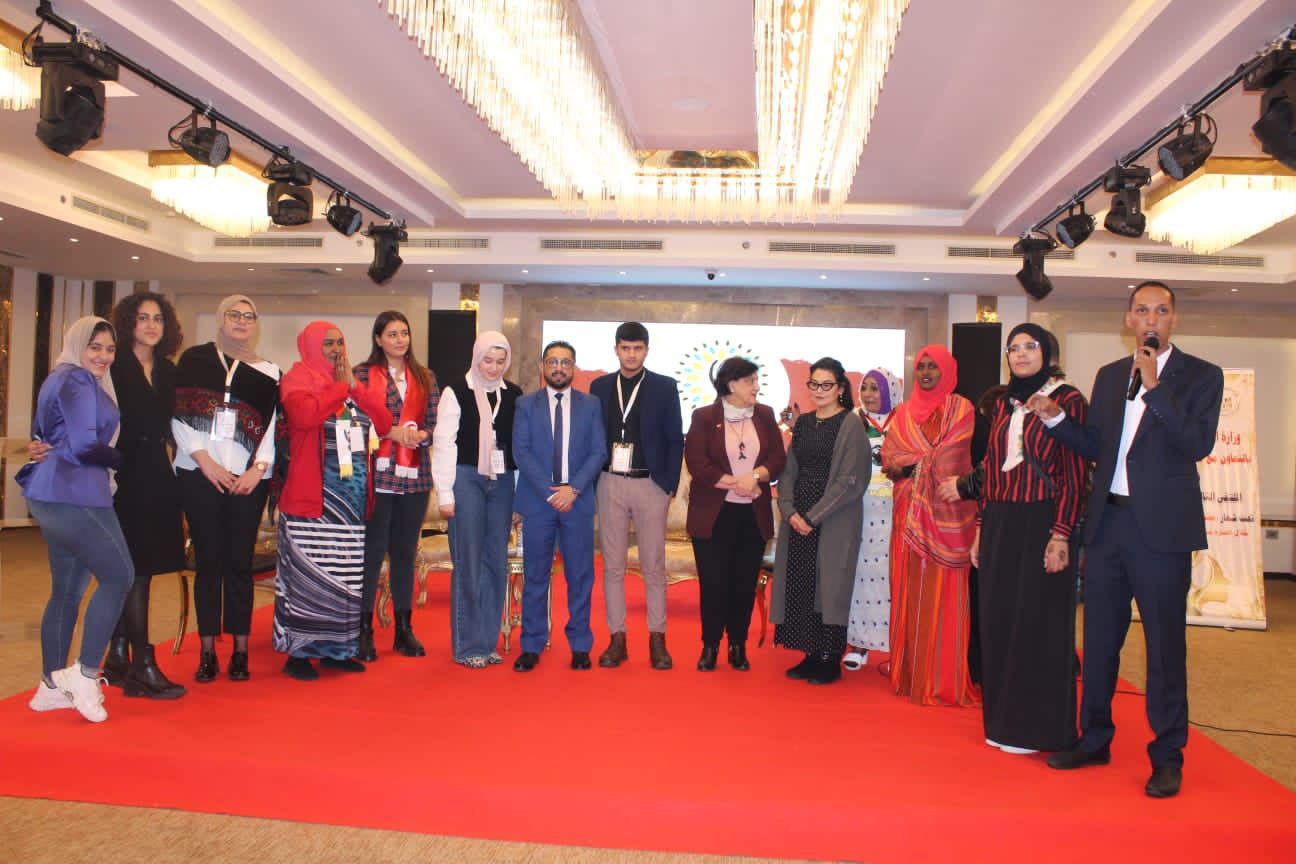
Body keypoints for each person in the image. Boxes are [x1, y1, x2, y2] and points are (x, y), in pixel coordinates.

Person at [1031, 281, 1222, 799]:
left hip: (1162, 533)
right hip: (1108, 526)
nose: (1151, 319)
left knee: (1164, 648)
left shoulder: (1202, 375)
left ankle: (1168, 756)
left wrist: (1155, 387)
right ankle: (1094, 739)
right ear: (1129, 319)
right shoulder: (1111, 375)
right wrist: (1056, 420)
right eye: (1142, 310)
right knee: (1098, 644)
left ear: (1173, 320)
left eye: (1161, 311)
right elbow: (1099, 446)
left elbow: (1197, 442)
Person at [971, 324, 1087, 755]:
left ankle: (1037, 729)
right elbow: (990, 466)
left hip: (1044, 521)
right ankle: (1003, 723)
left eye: (1030, 346)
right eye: (1013, 348)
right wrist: (980, 528)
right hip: (1001, 521)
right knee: (999, 620)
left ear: (1047, 353)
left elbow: (1075, 473)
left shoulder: (1067, 399)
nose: (1020, 354)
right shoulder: (1004, 402)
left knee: (1037, 623)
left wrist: (1062, 534)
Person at [19, 317, 133, 722]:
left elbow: (46, 434)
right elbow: (85, 445)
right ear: (77, 344)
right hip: (76, 493)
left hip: (52, 493)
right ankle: (84, 674)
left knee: (66, 592)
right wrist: (124, 459)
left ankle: (50, 686)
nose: (103, 356)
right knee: (119, 576)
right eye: (94, 346)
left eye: (110, 349)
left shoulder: (59, 377)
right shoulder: (79, 380)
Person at [275, 321, 392, 680]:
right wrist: (340, 387)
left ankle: (337, 650)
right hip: (312, 501)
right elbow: (305, 416)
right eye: (328, 343)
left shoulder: (348, 385)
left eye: (340, 342)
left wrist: (354, 388)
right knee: (308, 577)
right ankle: (299, 654)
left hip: (349, 505)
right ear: (311, 346)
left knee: (344, 577)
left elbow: (384, 422)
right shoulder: (296, 379)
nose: (336, 349)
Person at [173, 294, 279, 683]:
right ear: (221, 318)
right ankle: (206, 653)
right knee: (209, 564)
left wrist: (258, 469)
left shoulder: (269, 372)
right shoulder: (194, 360)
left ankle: (240, 651)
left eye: (249, 316)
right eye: (234, 314)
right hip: (199, 474)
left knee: (238, 565)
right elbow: (178, 415)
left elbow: (273, 428)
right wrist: (206, 462)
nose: (241, 321)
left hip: (248, 482)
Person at [882, 345, 979, 707]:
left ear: (947, 371)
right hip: (906, 516)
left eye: (933, 366)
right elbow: (889, 458)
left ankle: (940, 680)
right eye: (921, 366)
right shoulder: (903, 413)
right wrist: (916, 462)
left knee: (943, 596)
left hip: (945, 517)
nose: (925, 372)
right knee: (907, 592)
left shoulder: (960, 408)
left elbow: (952, 455)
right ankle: (909, 675)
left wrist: (911, 463)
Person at [103, 293, 188, 699]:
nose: (151, 326)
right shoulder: (113, 365)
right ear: (128, 324)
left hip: (157, 473)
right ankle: (143, 664)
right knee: (133, 570)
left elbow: (176, 426)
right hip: (121, 475)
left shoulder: (168, 370)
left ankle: (118, 656)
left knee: (144, 567)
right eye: (142, 318)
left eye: (157, 319)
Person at [589, 322, 684, 670]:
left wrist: (668, 485)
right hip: (609, 481)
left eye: (637, 348)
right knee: (612, 565)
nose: (631, 354)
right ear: (616, 349)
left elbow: (675, 437)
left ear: (646, 350)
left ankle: (658, 638)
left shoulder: (664, 386)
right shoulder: (600, 386)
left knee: (653, 566)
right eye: (625, 348)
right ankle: (617, 637)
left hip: (650, 484)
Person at [771, 357, 871, 686]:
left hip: (833, 518)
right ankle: (811, 653)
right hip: (799, 518)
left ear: (840, 388)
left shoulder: (851, 424)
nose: (819, 390)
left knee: (830, 586)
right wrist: (789, 510)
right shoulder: (803, 423)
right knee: (802, 583)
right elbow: (789, 471)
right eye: (814, 383)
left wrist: (812, 518)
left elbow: (850, 481)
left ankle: (830, 658)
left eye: (826, 384)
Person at [684, 356, 786, 671]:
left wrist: (754, 477)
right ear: (731, 384)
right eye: (750, 381)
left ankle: (738, 645)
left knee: (743, 584)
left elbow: (777, 459)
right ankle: (711, 645)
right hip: (714, 515)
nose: (756, 386)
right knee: (714, 584)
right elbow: (697, 462)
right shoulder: (704, 416)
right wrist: (736, 483)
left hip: (751, 516)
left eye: (756, 380)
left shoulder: (765, 414)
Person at [511, 340, 607, 672]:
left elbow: (598, 451)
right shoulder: (526, 404)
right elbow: (521, 452)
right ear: (542, 367)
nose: (559, 368)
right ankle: (531, 644)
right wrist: (551, 493)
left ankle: (580, 645)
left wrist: (573, 489)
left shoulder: (590, 404)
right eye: (552, 361)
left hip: (577, 502)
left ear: (574, 368)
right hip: (539, 502)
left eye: (565, 362)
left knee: (580, 576)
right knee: (536, 575)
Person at [431, 330, 522, 668]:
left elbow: (518, 447)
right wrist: (445, 493)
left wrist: (519, 498)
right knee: (468, 564)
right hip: (466, 478)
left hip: (503, 482)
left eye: (500, 361)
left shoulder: (513, 394)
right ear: (476, 358)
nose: (493, 368)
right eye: (487, 360)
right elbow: (443, 444)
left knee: (495, 563)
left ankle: (487, 642)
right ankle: (468, 646)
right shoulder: (456, 391)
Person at [353, 311, 440, 661]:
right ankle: (362, 630)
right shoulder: (361, 375)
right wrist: (392, 432)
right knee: (372, 554)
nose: (400, 340)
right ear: (378, 339)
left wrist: (422, 435)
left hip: (415, 477)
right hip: (376, 475)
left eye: (404, 333)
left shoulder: (424, 376)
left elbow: (435, 421)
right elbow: (354, 420)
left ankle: (404, 629)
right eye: (392, 334)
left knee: (405, 553)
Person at [843, 368, 903, 671]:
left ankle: (897, 647)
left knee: (893, 578)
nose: (868, 394)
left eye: (875, 388)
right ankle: (860, 644)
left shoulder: (905, 420)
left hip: (897, 507)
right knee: (861, 577)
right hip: (862, 507)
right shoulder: (853, 420)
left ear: (890, 391)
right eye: (864, 387)